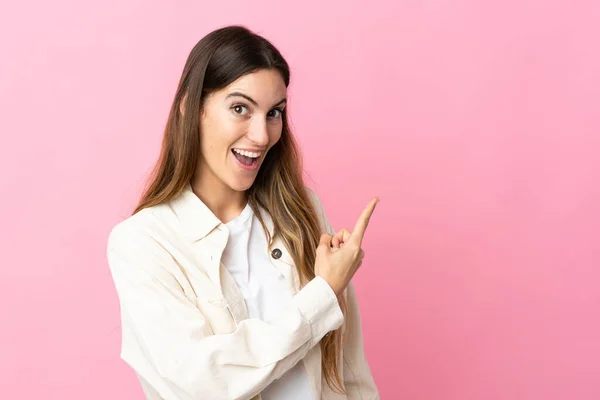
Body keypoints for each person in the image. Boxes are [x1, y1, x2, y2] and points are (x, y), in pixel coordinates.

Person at [106, 25, 380, 400]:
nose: (262, 135)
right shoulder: (143, 243)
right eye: (240, 108)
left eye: (274, 113)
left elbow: (347, 371)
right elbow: (200, 384)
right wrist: (321, 296)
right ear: (191, 108)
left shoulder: (304, 212)